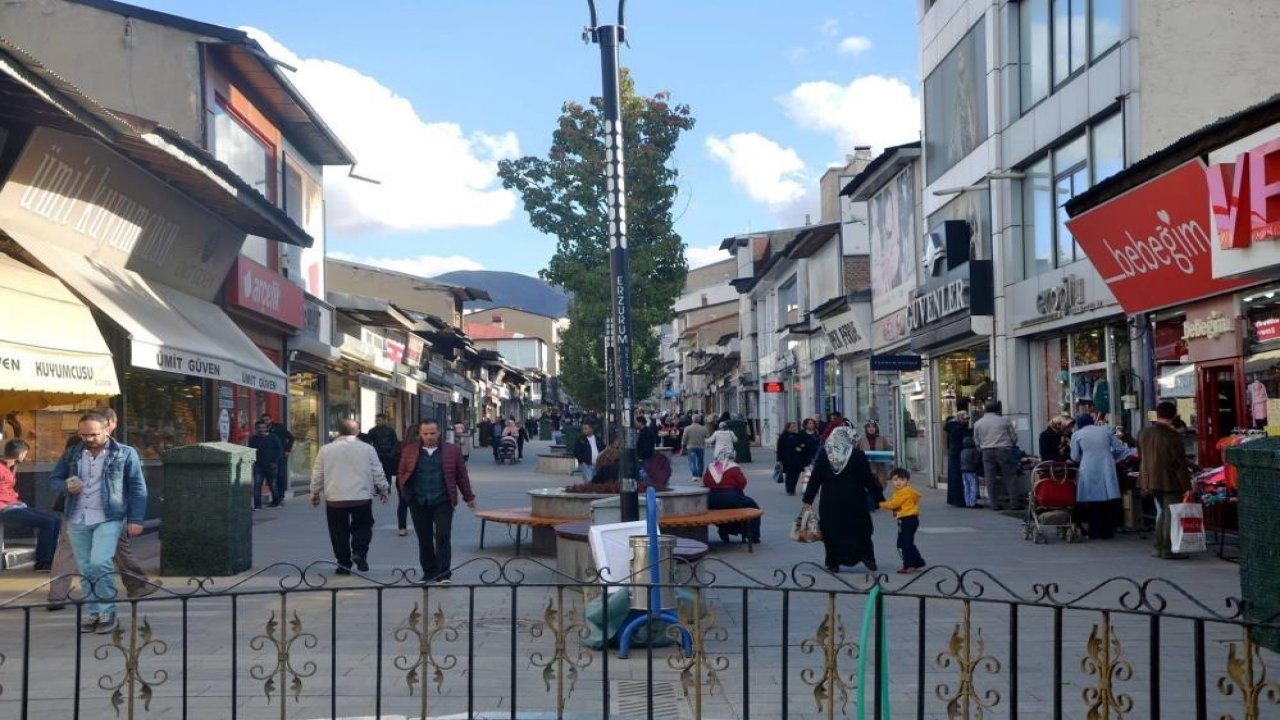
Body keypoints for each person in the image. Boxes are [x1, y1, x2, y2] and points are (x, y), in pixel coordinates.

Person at [47, 408, 157, 611]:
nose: (88, 439)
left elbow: (137, 488)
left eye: (93, 434)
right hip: (77, 516)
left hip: (109, 516)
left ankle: (107, 611)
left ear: (107, 429)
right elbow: (54, 479)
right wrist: (66, 486)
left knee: (99, 563)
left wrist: (136, 519)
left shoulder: (124, 453)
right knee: (86, 569)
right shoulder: (72, 453)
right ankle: (94, 612)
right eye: (83, 435)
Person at [397, 420, 477, 584]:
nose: (429, 437)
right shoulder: (409, 451)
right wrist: (407, 495)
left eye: (432, 433)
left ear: (439, 433)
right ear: (420, 434)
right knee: (424, 538)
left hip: (443, 500)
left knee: (442, 536)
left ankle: (443, 573)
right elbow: (402, 473)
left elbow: (461, 476)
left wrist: (469, 497)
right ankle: (428, 572)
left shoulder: (451, 451)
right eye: (425, 433)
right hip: (418, 501)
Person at [310, 420, 390, 574]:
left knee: (338, 531)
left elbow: (318, 472)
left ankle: (343, 563)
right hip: (361, 497)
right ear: (357, 431)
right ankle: (359, 552)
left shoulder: (325, 450)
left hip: (335, 497)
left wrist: (315, 492)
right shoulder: (368, 449)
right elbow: (377, 470)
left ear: (339, 432)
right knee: (363, 525)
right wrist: (384, 488)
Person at [802, 423, 883, 573]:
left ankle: (833, 562)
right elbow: (868, 479)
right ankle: (867, 556)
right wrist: (879, 498)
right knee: (861, 528)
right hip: (855, 500)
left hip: (830, 501)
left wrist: (808, 500)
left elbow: (815, 479)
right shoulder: (857, 455)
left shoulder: (825, 455)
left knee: (831, 531)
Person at [1137, 401, 1194, 559]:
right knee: (1170, 514)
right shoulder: (1173, 436)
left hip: (1149, 479)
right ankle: (1166, 548)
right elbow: (1179, 463)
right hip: (1169, 480)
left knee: (1163, 512)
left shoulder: (1143, 433)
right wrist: (1187, 485)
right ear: (1174, 415)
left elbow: (1141, 456)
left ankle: (1158, 546)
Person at [1069, 413, 1131, 540]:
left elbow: (1074, 456)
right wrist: (1109, 455)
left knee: (1092, 500)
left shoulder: (1077, 434)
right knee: (1107, 498)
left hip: (1088, 466)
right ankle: (1108, 531)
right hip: (1106, 465)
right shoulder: (1105, 431)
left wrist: (1084, 457)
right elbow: (1119, 449)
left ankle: (1095, 531)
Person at [0, 439, 59, 571]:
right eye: (25, 453)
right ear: (20, 454)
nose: (25, 457)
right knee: (48, 522)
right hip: (4, 509)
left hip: (13, 505)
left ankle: (51, 560)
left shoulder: (10, 466)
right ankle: (43, 562)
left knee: (55, 520)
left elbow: (7, 488)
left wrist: (14, 497)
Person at [701, 446, 761, 544]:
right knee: (753, 507)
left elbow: (705, 482)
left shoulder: (710, 467)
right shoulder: (733, 467)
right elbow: (742, 483)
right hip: (731, 497)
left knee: (720, 511)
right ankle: (753, 535)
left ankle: (724, 528)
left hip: (711, 499)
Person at [972, 402, 1023, 511]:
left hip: (986, 450)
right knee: (1010, 476)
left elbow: (976, 440)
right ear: (997, 410)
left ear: (985, 410)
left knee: (990, 478)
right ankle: (1014, 502)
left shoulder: (978, 423)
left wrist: (981, 448)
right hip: (1004, 448)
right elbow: (1013, 436)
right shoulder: (1004, 421)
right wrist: (1011, 445)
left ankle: (994, 504)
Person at [880, 467, 925, 574]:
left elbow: (894, 504)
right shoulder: (905, 490)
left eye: (902, 480)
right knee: (908, 542)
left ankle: (909, 564)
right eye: (895, 480)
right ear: (891, 481)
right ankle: (917, 561)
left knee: (902, 544)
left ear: (907, 480)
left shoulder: (904, 492)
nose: (898, 482)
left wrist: (880, 503)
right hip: (910, 519)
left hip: (907, 519)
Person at [247, 421, 285, 509]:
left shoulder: (273, 437)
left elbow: (279, 450)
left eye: (263, 428)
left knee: (273, 484)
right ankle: (257, 505)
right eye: (259, 428)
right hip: (259, 466)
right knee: (257, 485)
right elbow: (251, 451)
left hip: (271, 465)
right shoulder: (253, 439)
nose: (261, 430)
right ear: (256, 428)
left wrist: (275, 462)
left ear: (266, 428)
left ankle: (276, 502)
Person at [260, 413, 295, 506]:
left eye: (267, 420)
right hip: (269, 457)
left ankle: (281, 496)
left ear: (271, 419)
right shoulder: (262, 429)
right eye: (264, 420)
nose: (266, 422)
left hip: (280, 455)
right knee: (271, 477)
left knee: (280, 475)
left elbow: (291, 437)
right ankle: (275, 497)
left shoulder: (278, 427)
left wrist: (287, 450)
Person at [943, 412, 973, 507]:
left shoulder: (952, 427)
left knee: (954, 478)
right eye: (965, 419)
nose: (966, 421)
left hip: (954, 454)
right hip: (958, 454)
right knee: (959, 478)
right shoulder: (959, 429)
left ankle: (956, 499)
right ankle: (960, 500)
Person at [857, 420, 893, 492]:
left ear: (876, 428)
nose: (871, 428)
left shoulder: (882, 439)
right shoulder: (861, 439)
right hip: (866, 470)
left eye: (873, 426)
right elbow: (856, 452)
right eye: (869, 427)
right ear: (866, 428)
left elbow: (889, 451)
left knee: (878, 492)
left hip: (879, 470)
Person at [776, 422, 809, 496]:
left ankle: (793, 487)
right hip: (787, 459)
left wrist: (800, 447)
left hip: (797, 458)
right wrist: (779, 460)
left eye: (794, 427)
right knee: (789, 474)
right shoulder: (783, 437)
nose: (794, 428)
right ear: (788, 428)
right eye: (792, 427)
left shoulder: (797, 436)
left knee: (796, 475)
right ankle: (790, 489)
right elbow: (780, 449)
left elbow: (803, 444)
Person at [680, 414, 708, 483]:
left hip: (690, 447)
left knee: (692, 461)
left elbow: (684, 439)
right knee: (700, 461)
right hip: (701, 446)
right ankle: (700, 475)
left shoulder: (687, 428)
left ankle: (695, 475)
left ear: (692, 420)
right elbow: (707, 437)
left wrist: (683, 447)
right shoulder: (703, 428)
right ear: (699, 420)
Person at [959, 437, 982, 508]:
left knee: (966, 486)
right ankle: (973, 503)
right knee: (973, 486)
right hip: (972, 470)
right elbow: (976, 460)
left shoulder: (962, 451)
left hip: (963, 470)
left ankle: (967, 502)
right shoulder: (974, 451)